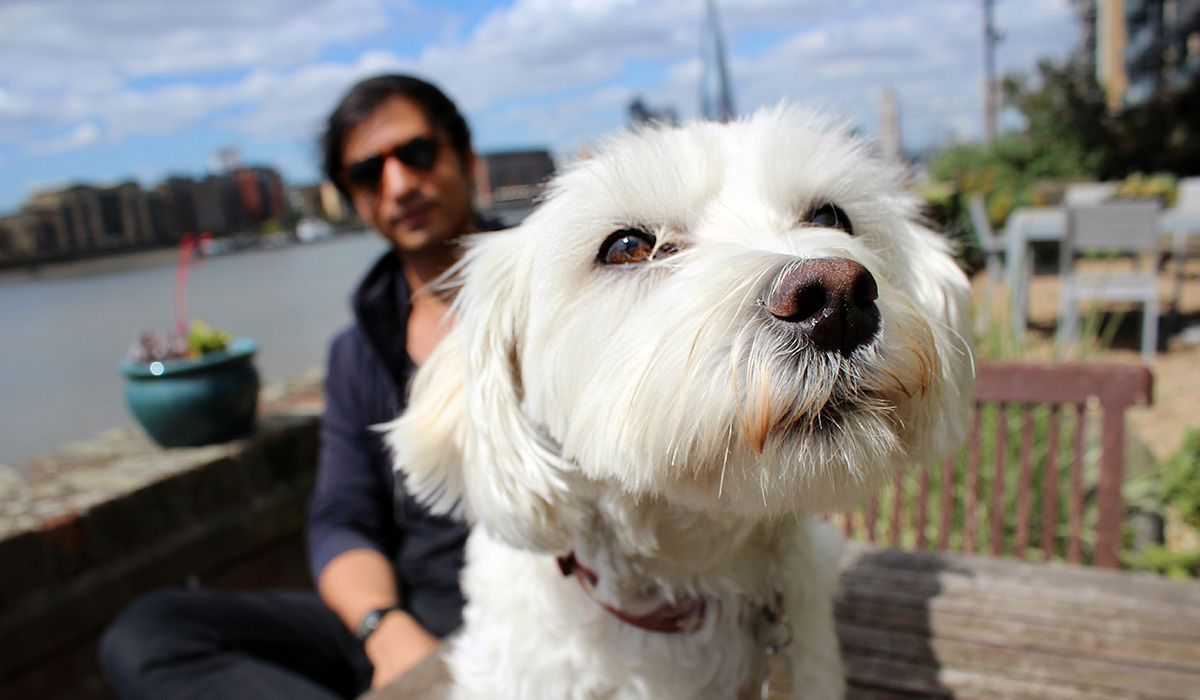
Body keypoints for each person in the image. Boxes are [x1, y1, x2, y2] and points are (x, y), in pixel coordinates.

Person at [100, 74, 484, 699]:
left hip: (545, 610)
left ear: (465, 157)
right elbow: (342, 515)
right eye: (367, 173)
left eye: (417, 153)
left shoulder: (557, 292)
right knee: (150, 633)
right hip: (412, 618)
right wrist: (384, 628)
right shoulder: (358, 350)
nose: (398, 185)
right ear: (353, 198)